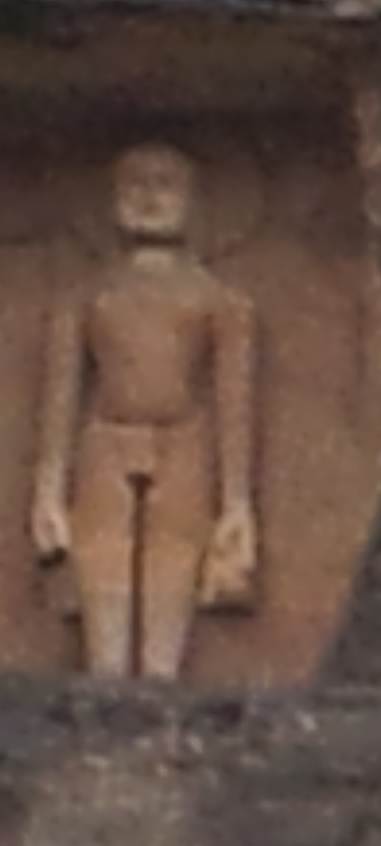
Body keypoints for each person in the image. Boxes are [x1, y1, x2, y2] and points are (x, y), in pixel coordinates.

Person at [31, 143, 261, 681]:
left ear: (195, 202)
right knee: (101, 572)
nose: (149, 197)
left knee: (173, 570)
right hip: (104, 441)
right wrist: (48, 489)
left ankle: (161, 687)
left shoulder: (220, 301)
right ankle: (104, 686)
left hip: (185, 442)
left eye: (165, 185)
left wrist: (236, 504)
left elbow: (234, 404)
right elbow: (60, 398)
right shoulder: (85, 297)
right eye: (134, 184)